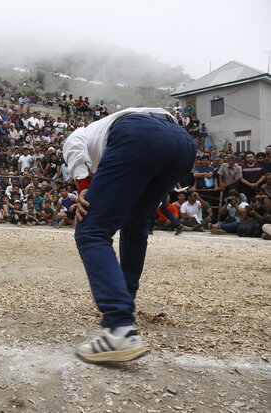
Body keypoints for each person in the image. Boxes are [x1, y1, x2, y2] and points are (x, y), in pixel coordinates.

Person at [63, 108, 196, 363]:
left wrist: (83, 185)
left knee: (91, 231)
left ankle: (119, 327)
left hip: (137, 134)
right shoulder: (110, 137)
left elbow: (73, 140)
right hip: (183, 142)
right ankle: (126, 297)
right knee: (136, 224)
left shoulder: (88, 133)